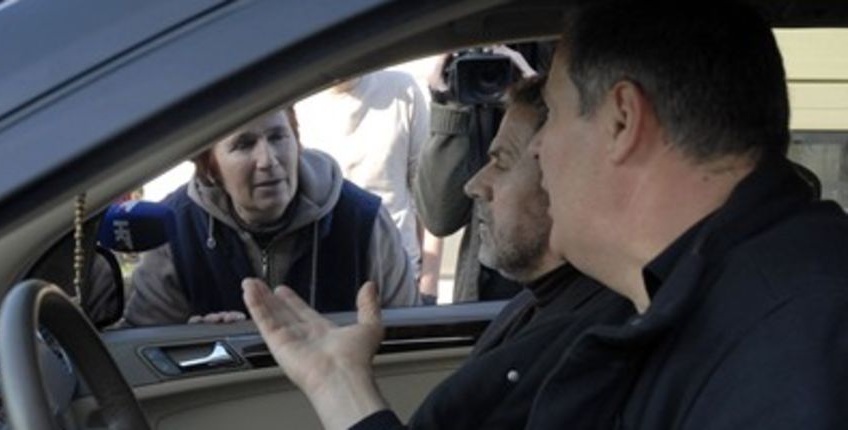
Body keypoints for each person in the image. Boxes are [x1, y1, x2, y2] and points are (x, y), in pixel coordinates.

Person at [246, 1, 848, 428]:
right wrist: (339, 386)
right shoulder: (707, 301)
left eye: (554, 116)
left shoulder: (791, 352)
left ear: (621, 121)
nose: (540, 150)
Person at [243, 78, 633, 429]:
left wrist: (338, 381)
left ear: (564, 171)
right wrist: (335, 378)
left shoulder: (596, 346)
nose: (476, 186)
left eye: (501, 161)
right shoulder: (534, 306)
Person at [123, 108, 418, 326]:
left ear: (297, 142)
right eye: (244, 144)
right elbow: (140, 352)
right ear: (210, 168)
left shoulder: (362, 220)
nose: (268, 160)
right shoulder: (175, 230)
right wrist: (192, 344)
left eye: (278, 137)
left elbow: (411, 338)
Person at [415, 45, 552, 302]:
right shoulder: (468, 78)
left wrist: (537, 99)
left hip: (549, 288)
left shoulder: (556, 53)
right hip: (482, 292)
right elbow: (440, 217)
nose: (475, 186)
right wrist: (450, 105)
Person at [295, 70, 444, 304]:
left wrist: (429, 283)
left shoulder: (403, 89)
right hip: (328, 278)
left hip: (401, 275)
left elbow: (428, 194)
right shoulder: (295, 102)